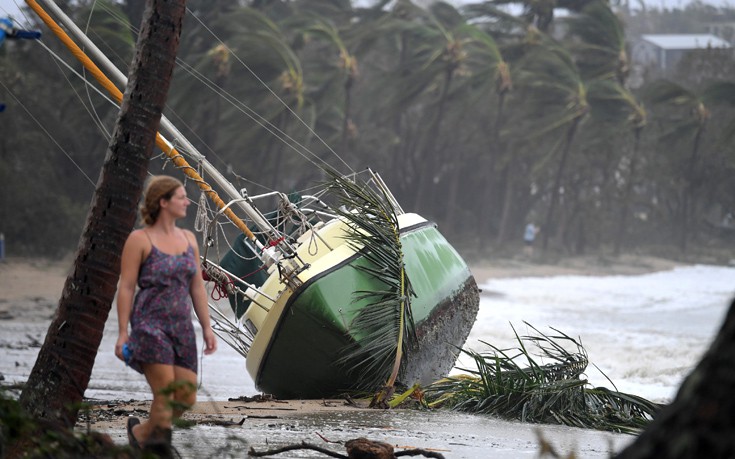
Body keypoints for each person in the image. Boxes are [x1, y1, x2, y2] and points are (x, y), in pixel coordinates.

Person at [115, 175, 217, 452]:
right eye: (181, 197)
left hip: (182, 327)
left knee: (185, 396)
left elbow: (197, 287)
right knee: (166, 394)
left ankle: (141, 433)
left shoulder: (188, 239)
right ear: (163, 202)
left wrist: (207, 328)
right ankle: (159, 451)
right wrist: (123, 333)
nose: (188, 201)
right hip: (150, 325)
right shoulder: (140, 239)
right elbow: (125, 287)